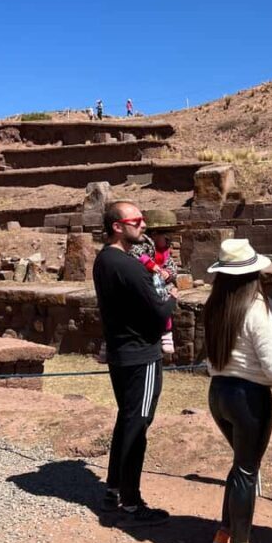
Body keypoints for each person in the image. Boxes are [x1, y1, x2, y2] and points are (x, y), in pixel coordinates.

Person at [204, 239, 272, 543]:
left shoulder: (215, 305)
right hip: (249, 398)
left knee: (240, 465)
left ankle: (226, 531)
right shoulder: (257, 309)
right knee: (247, 469)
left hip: (219, 392)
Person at [93, 201, 179, 524]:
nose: (144, 225)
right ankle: (130, 501)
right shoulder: (129, 267)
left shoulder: (104, 261)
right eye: (137, 220)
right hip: (141, 356)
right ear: (118, 226)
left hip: (120, 354)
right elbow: (158, 314)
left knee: (127, 420)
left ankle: (113, 489)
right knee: (137, 424)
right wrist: (171, 296)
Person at [129, 233, 178, 354]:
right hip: (144, 281)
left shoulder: (165, 252)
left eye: (167, 238)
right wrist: (149, 264)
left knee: (166, 298)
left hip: (161, 285)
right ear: (155, 236)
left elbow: (172, 266)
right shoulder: (142, 244)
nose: (166, 239)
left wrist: (168, 273)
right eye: (163, 237)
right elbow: (135, 253)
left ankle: (167, 334)